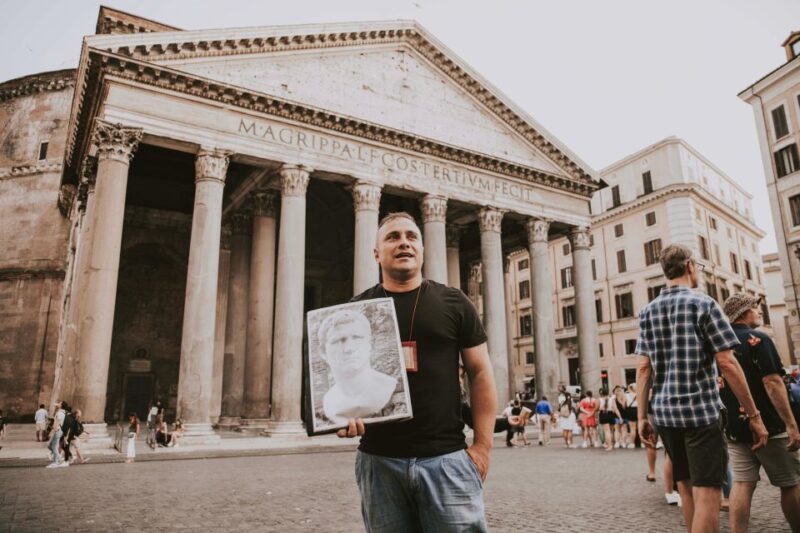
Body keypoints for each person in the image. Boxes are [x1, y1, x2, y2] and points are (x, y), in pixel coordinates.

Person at [339, 212, 497, 532]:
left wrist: (482, 447)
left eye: (411, 237)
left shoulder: (454, 302)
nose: (404, 243)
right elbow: (343, 378)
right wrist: (343, 414)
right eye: (393, 237)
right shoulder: (356, 311)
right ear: (376, 253)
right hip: (379, 463)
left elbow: (480, 373)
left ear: (422, 250)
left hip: (447, 459)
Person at [635, 244, 768, 533]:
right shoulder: (704, 304)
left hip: (665, 415)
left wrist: (641, 417)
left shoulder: (647, 311)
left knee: (686, 490)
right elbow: (727, 363)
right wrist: (754, 415)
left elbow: (644, 368)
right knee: (708, 493)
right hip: (700, 413)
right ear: (690, 266)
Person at [719, 293, 800, 532]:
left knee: (742, 484)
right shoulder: (759, 339)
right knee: (791, 482)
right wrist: (791, 424)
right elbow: (772, 382)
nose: (760, 311)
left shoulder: (720, 343)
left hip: (736, 426)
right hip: (769, 424)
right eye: (756, 308)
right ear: (744, 312)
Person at [317, 309, 399, 425]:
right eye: (337, 341)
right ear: (323, 352)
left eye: (357, 337)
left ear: (371, 344)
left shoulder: (389, 388)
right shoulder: (329, 401)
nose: (348, 348)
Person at [46, 400, 66, 468]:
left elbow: (57, 422)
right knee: (51, 446)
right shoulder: (62, 412)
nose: (58, 404)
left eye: (60, 403)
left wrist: (53, 431)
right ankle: (57, 460)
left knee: (53, 446)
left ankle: (57, 461)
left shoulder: (59, 413)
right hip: (59, 430)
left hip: (57, 430)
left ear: (61, 405)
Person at [625, 384, 638, 449]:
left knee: (632, 428)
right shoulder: (638, 394)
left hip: (630, 410)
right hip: (638, 409)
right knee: (640, 427)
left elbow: (624, 404)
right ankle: (643, 443)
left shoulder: (626, 395)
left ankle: (632, 443)